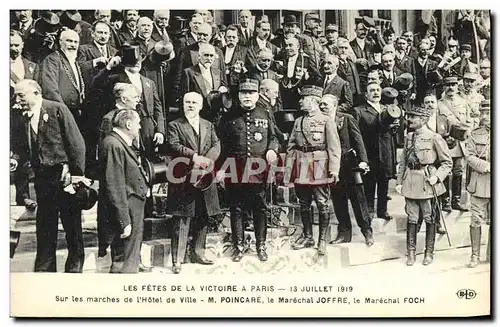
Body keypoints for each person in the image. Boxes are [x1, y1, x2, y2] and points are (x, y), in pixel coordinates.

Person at [11, 79, 86, 272]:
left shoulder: (56, 110)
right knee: (45, 225)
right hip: (43, 180)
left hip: (64, 176)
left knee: (72, 225)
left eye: (21, 95)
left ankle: (74, 268)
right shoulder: (21, 117)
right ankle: (45, 268)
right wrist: (15, 160)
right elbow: (20, 147)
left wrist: (77, 175)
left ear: (36, 93)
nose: (16, 99)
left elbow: (76, 143)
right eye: (15, 95)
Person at [217, 79, 279, 262]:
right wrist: (220, 168)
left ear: (257, 95)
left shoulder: (265, 113)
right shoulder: (229, 116)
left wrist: (272, 149)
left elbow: (275, 137)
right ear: (238, 95)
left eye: (251, 93)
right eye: (244, 93)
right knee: (236, 208)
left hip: (259, 169)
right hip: (235, 167)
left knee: (260, 207)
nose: (247, 97)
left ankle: (261, 246)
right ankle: (239, 247)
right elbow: (222, 145)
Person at [166, 92, 222, 274]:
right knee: (182, 218)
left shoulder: (208, 125)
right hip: (183, 177)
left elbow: (216, 145)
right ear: (183, 105)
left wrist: (207, 161)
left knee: (204, 215)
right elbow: (174, 145)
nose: (190, 105)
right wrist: (194, 157)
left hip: (205, 176)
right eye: (187, 102)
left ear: (200, 106)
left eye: (194, 102)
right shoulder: (174, 125)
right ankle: (178, 259)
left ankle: (198, 252)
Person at [286, 86, 341, 255]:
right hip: (302, 165)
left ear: (312, 100)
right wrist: (289, 171)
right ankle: (308, 236)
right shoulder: (298, 121)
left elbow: (334, 147)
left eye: (303, 99)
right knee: (303, 204)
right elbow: (291, 147)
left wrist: (334, 169)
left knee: (322, 203)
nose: (300, 101)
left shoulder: (326, 120)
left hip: (320, 166)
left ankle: (322, 240)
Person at [395, 105, 452, 266]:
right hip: (411, 181)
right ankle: (411, 253)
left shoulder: (435, 138)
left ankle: (429, 253)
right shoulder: (409, 138)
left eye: (413, 117)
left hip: (428, 182)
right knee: (412, 218)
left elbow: (447, 163)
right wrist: (399, 182)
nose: (409, 120)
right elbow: (403, 162)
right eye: (409, 116)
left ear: (424, 119)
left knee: (430, 218)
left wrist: (437, 177)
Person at [319, 95, 373, 246]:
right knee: (338, 200)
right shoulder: (319, 121)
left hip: (349, 164)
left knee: (358, 199)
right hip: (331, 167)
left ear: (335, 105)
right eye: (320, 104)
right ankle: (344, 233)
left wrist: (363, 161)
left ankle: (367, 231)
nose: (322, 106)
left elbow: (358, 140)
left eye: (325, 104)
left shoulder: (347, 118)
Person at [99, 109, 149, 273]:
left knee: (129, 258)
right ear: (128, 124)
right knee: (124, 261)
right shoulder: (113, 144)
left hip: (132, 207)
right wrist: (124, 221)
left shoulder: (118, 143)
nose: (140, 127)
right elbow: (114, 185)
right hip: (126, 209)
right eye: (138, 123)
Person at [353, 82, 396, 220]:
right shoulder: (359, 110)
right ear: (366, 95)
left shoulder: (387, 109)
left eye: (378, 90)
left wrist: (396, 126)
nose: (375, 93)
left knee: (384, 182)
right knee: (369, 183)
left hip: (385, 151)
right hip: (369, 151)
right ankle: (369, 211)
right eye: (372, 90)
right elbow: (356, 133)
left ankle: (382, 211)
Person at [465, 100, 491, 268]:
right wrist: (485, 166)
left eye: (488, 113)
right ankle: (475, 256)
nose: (484, 116)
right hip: (479, 183)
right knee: (475, 221)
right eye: (482, 113)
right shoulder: (475, 134)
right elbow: (469, 155)